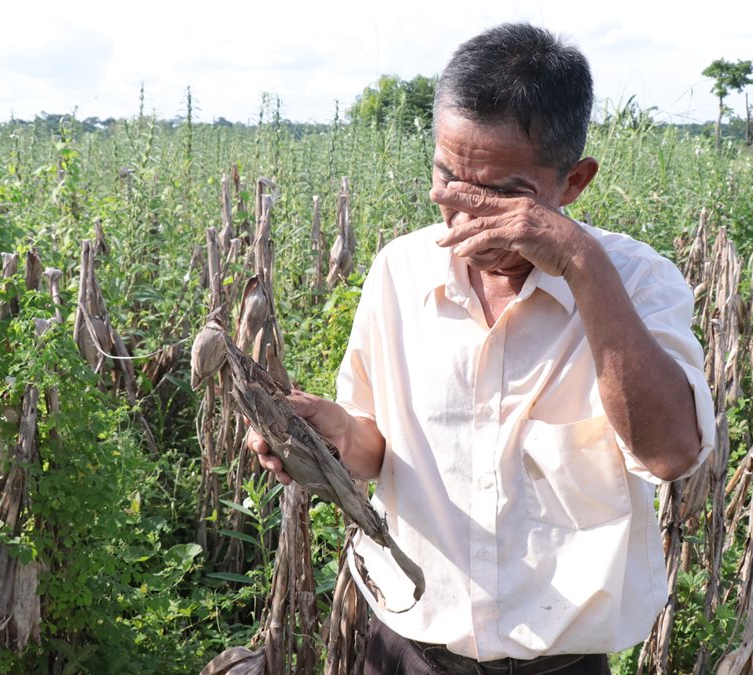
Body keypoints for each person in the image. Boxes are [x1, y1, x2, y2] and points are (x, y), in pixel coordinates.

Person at [251, 22, 716, 675]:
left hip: (558, 665)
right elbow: (376, 451)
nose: (466, 216)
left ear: (574, 182)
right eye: (448, 180)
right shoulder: (401, 272)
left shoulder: (636, 285)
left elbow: (669, 453)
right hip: (406, 651)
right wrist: (329, 437)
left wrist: (580, 260)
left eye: (502, 196)